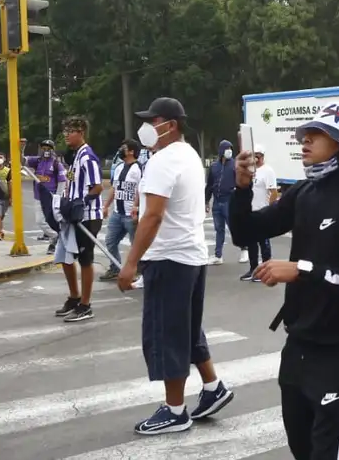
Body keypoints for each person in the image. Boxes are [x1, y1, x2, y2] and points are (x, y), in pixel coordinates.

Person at [229, 101, 339, 460]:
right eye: (304, 134)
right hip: (299, 342)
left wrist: (302, 269)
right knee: (300, 449)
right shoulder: (303, 193)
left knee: (326, 453)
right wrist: (241, 188)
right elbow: (245, 232)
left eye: (316, 135)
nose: (304, 140)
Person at [117, 97, 235, 434]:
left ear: (170, 125)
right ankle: (213, 388)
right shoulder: (188, 154)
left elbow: (152, 216)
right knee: (186, 327)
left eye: (152, 121)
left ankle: (175, 410)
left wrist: (131, 262)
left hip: (168, 258)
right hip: (191, 256)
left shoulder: (163, 159)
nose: (146, 128)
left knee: (167, 333)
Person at [56, 116, 103, 322]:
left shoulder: (87, 157)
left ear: (81, 131)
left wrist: (81, 203)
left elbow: (97, 186)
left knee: (85, 260)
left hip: (87, 217)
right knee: (65, 257)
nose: (66, 134)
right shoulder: (75, 156)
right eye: (65, 130)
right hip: (72, 217)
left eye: (71, 131)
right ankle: (74, 297)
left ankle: (86, 305)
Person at [100, 139, 142, 281]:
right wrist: (106, 206)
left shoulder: (139, 169)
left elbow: (140, 190)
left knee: (136, 245)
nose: (120, 150)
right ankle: (115, 268)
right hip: (118, 213)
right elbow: (114, 188)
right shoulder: (118, 167)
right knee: (110, 241)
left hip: (131, 214)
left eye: (123, 148)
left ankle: (138, 271)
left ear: (131, 151)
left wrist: (136, 207)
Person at [240, 145, 277, 282]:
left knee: (264, 242)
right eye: (254, 155)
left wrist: (270, 209)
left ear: (262, 156)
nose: (256, 158)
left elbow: (273, 191)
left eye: (258, 155)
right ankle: (253, 269)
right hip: (250, 212)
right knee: (251, 243)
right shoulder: (250, 171)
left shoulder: (268, 171)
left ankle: (267, 271)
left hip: (263, 212)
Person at [26, 139, 67, 253]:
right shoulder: (37, 161)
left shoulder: (56, 164)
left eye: (48, 148)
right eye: (43, 148)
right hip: (39, 196)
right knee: (40, 221)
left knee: (51, 221)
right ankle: (55, 236)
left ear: (53, 150)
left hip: (51, 197)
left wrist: (57, 198)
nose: (46, 151)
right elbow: (22, 161)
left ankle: (53, 244)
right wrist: (21, 149)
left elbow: (62, 181)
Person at [205, 140, 235, 265]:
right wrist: (206, 201)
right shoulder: (214, 166)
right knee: (219, 229)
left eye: (231, 148)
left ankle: (245, 249)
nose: (229, 150)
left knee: (235, 227)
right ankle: (218, 255)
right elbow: (209, 185)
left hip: (229, 200)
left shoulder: (235, 165)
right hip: (217, 201)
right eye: (227, 148)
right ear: (221, 150)